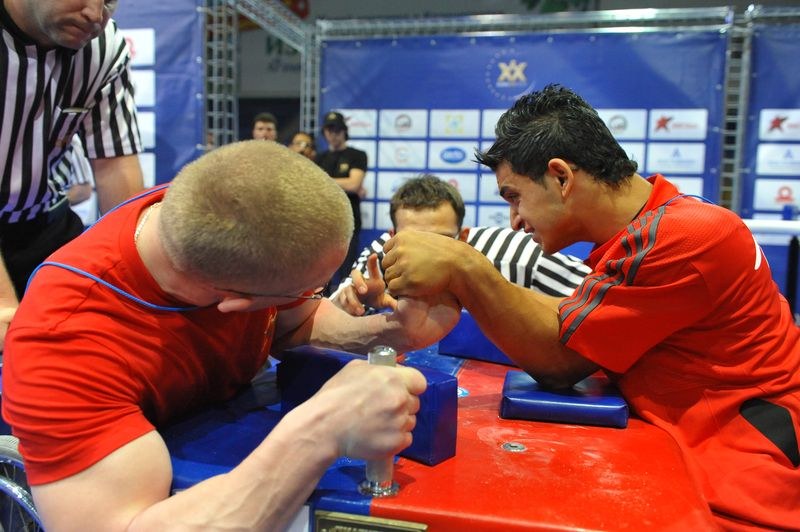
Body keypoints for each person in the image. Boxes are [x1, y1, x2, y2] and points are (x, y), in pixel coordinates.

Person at [381, 84, 800, 529]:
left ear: (561, 177)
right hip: (701, 459)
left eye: (514, 196)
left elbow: (562, 360)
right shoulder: (651, 229)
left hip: (744, 488)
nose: (515, 220)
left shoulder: (686, 237)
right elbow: (572, 321)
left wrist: (466, 266)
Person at [2, 140, 460, 530]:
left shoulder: (225, 213)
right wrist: (319, 432)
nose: (316, 296)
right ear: (232, 303)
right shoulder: (61, 341)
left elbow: (295, 322)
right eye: (309, 288)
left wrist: (389, 331)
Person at [0, 0, 144, 348]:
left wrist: (138, 294)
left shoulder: (104, 47)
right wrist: (5, 307)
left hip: (41, 225)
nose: (96, 15)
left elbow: (116, 168)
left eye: (109, 1)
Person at [331, 174, 590, 316]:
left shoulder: (514, 255)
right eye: (413, 241)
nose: (427, 254)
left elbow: (602, 300)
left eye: (442, 240)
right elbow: (334, 310)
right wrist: (357, 305)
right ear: (392, 235)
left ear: (464, 237)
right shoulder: (382, 256)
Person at [315, 111, 368, 287]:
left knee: (347, 271)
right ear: (324, 133)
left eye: (337, 129)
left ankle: (345, 310)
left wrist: (323, 179)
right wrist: (344, 183)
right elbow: (312, 186)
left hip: (349, 221)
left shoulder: (357, 155)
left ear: (344, 131)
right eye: (329, 130)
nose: (333, 134)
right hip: (324, 221)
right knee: (321, 274)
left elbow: (354, 184)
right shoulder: (318, 158)